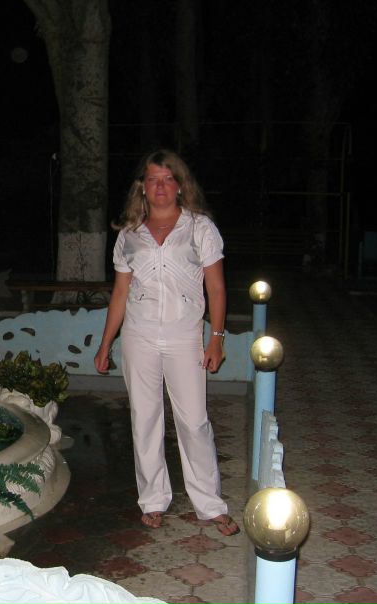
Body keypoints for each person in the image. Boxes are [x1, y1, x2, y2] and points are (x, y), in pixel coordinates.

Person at [94, 149, 239, 536]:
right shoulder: (129, 234)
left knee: (193, 421)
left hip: (184, 335)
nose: (160, 186)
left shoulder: (199, 228)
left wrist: (216, 338)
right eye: (153, 179)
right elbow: (120, 293)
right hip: (139, 335)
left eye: (167, 178)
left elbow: (217, 288)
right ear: (142, 186)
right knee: (145, 419)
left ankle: (209, 504)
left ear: (179, 185)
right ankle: (153, 499)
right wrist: (106, 344)